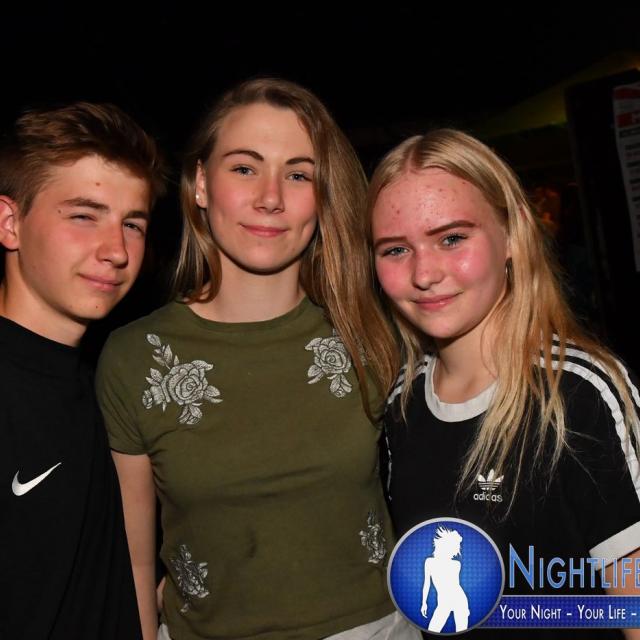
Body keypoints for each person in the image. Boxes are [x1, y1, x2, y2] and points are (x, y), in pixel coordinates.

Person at [96, 78, 418, 640]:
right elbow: (134, 567)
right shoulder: (133, 358)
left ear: (323, 195)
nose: (271, 197)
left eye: (298, 175)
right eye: (245, 168)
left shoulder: (371, 331)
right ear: (201, 184)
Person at [369, 129, 640, 638]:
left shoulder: (576, 395)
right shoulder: (400, 403)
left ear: (512, 235)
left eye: (452, 238)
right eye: (395, 249)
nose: (424, 273)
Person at [0, 102, 165, 639]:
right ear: (10, 223)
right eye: (83, 216)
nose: (116, 250)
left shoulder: (106, 380)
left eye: (132, 224)